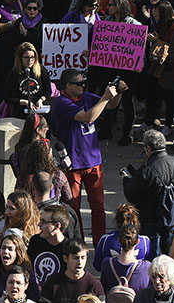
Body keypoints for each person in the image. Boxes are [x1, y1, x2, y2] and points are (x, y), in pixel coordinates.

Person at [50, 69, 126, 245]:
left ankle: (99, 243)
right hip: (74, 165)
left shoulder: (86, 96)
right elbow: (88, 117)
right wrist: (106, 97)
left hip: (93, 162)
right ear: (67, 86)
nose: (83, 86)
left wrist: (117, 93)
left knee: (98, 208)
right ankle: (79, 244)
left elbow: (111, 105)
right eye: (78, 84)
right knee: (74, 208)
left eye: (84, 83)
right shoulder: (62, 102)